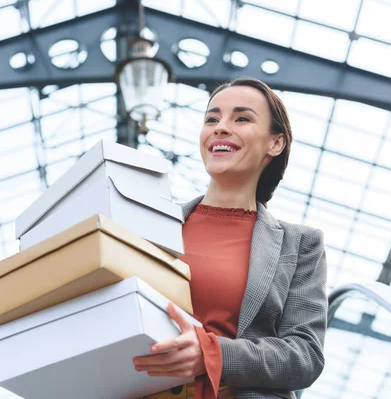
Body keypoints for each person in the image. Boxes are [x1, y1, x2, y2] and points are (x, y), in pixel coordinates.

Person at [133, 78, 328, 399]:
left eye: (242, 118)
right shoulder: (150, 224)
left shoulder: (300, 244)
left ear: (275, 144)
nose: (220, 128)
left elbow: (305, 355)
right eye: (212, 119)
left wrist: (213, 354)